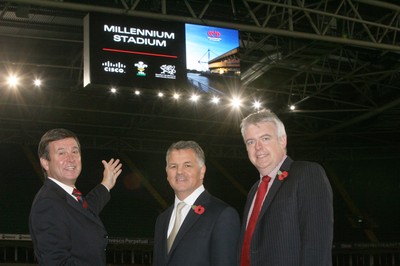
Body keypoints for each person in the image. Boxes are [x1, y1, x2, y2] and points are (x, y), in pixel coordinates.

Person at [238, 109, 334, 266]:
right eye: (251, 142)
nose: (258, 147)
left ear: (282, 141)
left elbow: (316, 246)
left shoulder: (307, 173)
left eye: (265, 138)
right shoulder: (254, 191)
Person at [29, 128, 122, 265]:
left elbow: (85, 212)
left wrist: (105, 185)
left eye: (75, 151)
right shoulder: (48, 204)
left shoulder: (66, 195)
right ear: (45, 162)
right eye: (61, 153)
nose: (71, 159)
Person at [153, 140, 240, 266]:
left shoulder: (222, 215)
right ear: (167, 173)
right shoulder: (162, 219)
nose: (179, 172)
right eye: (173, 166)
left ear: (202, 171)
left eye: (187, 165)